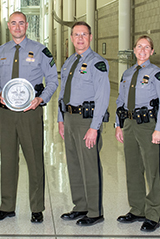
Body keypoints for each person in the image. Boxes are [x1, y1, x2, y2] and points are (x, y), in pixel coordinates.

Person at [0, 11, 58, 223]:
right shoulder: (1, 52)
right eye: (14, 23)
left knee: (34, 159)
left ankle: (36, 208)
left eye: (21, 23)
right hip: (6, 114)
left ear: (27, 25)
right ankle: (7, 206)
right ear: (9, 26)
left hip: (30, 113)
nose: (17, 27)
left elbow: (52, 79)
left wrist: (41, 99)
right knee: (7, 160)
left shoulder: (40, 50)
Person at [114, 35, 160, 232]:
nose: (143, 50)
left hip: (148, 126)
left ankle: (153, 214)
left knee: (152, 170)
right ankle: (137, 209)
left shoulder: (157, 74)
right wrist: (117, 125)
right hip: (128, 124)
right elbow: (120, 101)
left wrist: (159, 129)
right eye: (139, 46)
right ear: (134, 49)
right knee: (133, 168)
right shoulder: (127, 73)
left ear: (152, 51)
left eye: (147, 47)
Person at [57, 21, 110, 226]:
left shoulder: (97, 63)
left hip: (87, 120)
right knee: (74, 164)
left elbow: (102, 98)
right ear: (71, 38)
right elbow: (63, 93)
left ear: (90, 37)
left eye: (84, 35)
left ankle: (95, 211)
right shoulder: (70, 61)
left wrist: (94, 128)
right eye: (76, 35)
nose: (80, 38)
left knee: (90, 166)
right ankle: (80, 206)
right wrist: (61, 119)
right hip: (69, 119)